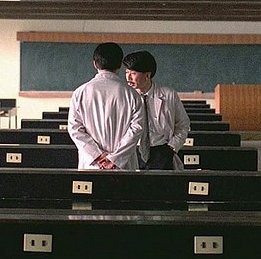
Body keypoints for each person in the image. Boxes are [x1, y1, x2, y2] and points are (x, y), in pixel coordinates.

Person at [68, 42, 144, 170]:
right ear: (120, 64)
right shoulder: (132, 94)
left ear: (95, 64)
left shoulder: (80, 92)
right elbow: (136, 130)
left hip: (92, 165)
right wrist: (115, 158)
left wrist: (97, 155)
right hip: (123, 166)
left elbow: (75, 129)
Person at [123, 50, 190, 170]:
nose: (128, 77)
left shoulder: (168, 95)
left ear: (147, 75)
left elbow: (183, 124)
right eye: (127, 72)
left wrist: (172, 147)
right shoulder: (124, 96)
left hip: (162, 151)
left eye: (133, 73)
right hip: (133, 151)